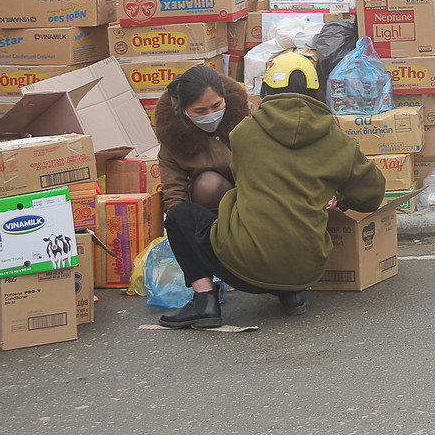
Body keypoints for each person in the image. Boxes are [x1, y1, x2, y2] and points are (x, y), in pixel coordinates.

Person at [158, 52, 386, 329]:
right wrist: (341, 198)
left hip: (242, 265)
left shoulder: (244, 134)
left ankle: (204, 300)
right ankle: (291, 296)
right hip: (308, 270)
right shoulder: (340, 142)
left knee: (181, 215)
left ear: (265, 90)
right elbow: (372, 197)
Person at [154, 66, 251, 214]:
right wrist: (181, 220)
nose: (211, 114)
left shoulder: (247, 118)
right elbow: (174, 189)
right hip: (212, 205)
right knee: (208, 185)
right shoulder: (173, 135)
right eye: (200, 111)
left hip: (252, 194)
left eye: (217, 106)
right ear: (183, 110)